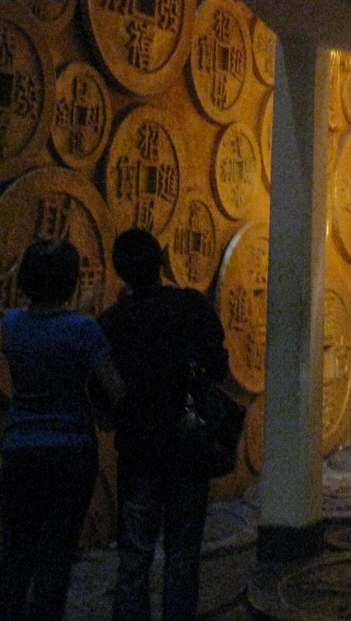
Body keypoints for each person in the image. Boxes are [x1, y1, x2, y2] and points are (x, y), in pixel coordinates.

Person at [98, 228, 228, 621]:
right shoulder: (190, 307)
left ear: (119, 270)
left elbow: (103, 394)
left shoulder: (112, 322)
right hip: (187, 446)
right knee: (183, 553)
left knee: (134, 554)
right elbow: (217, 367)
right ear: (161, 261)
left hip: (138, 449)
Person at [0, 237, 124, 621]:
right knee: (56, 554)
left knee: (16, 552)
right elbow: (116, 390)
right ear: (71, 281)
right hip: (71, 450)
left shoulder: (10, 324)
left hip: (20, 446)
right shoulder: (82, 330)